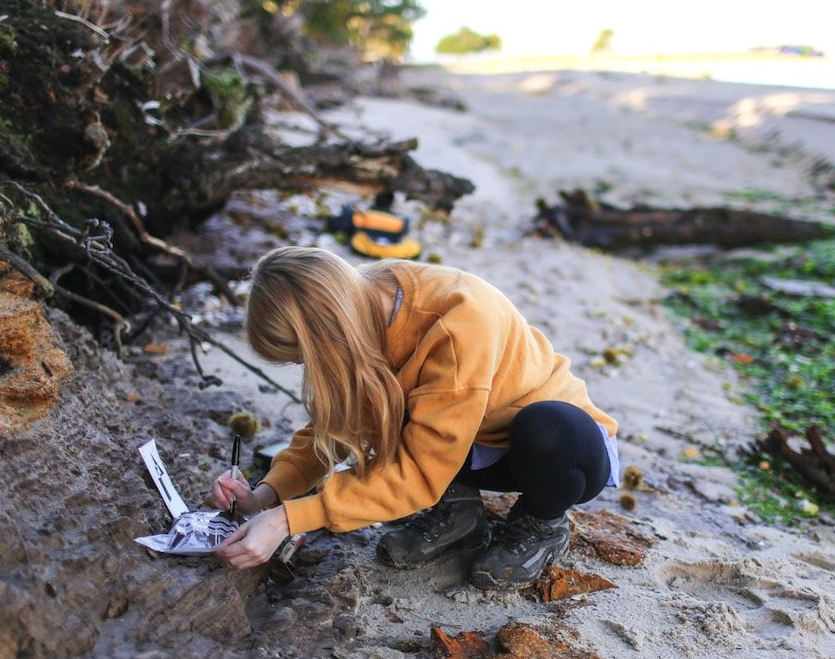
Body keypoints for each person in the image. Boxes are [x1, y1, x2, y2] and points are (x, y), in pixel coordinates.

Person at [208, 246, 619, 589]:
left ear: (328, 336)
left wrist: (288, 519)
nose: (310, 370)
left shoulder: (457, 322)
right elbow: (334, 425)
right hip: (464, 441)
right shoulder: (360, 306)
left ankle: (543, 524)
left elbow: (420, 474)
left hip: (555, 451)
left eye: (305, 358)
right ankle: (460, 509)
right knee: (386, 402)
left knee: (547, 430)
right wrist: (266, 495)